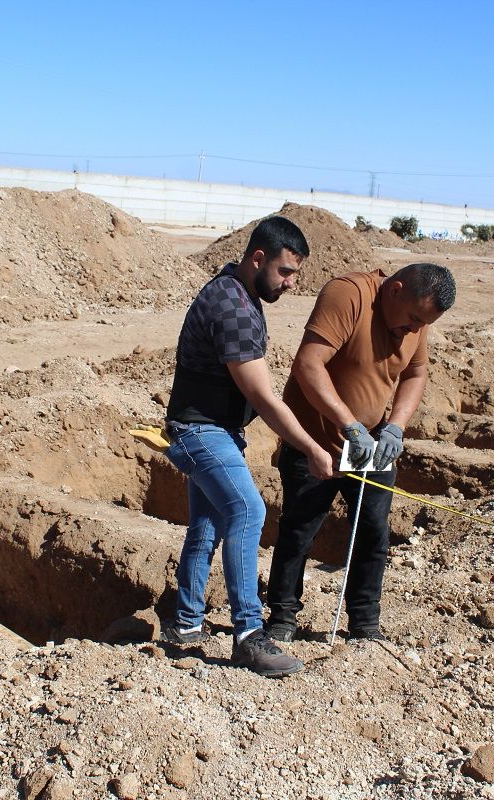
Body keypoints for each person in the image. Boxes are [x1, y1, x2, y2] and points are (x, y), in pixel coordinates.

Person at [162, 216, 334, 678]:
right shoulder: (234, 307)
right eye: (285, 271)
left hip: (211, 428)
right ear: (258, 258)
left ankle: (186, 623)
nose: (292, 282)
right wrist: (312, 448)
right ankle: (248, 635)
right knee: (248, 510)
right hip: (201, 432)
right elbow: (264, 398)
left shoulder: (237, 290)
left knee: (206, 525)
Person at [264, 262, 456, 642]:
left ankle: (365, 623)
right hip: (315, 441)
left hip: (371, 443)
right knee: (299, 530)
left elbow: (416, 374)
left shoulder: (417, 318)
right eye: (414, 319)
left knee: (372, 531)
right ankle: (283, 617)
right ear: (395, 290)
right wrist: (348, 424)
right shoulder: (348, 295)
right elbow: (308, 364)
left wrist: (396, 426)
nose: (415, 329)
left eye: (423, 324)